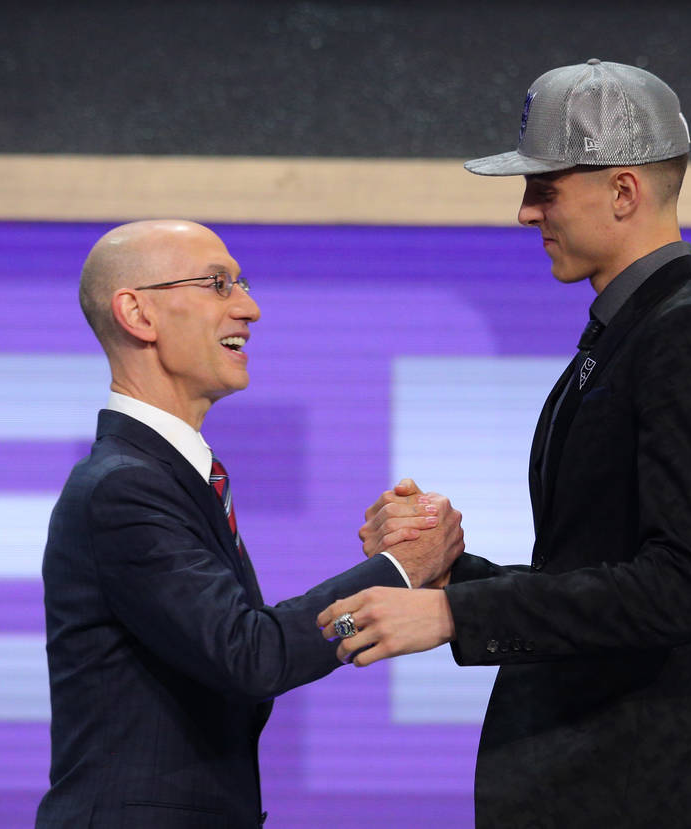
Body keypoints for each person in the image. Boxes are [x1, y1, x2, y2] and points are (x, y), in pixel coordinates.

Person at [318, 60, 691, 828]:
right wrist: (447, 568)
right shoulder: (630, 333)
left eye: (545, 189)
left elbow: (687, 588)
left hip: (643, 796)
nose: (527, 213)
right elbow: (592, 576)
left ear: (623, 191)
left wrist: (459, 613)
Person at [36, 219, 463, 828]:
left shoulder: (171, 477)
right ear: (138, 314)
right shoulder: (125, 487)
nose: (250, 307)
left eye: (241, 283)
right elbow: (249, 654)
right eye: (218, 284)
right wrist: (397, 570)